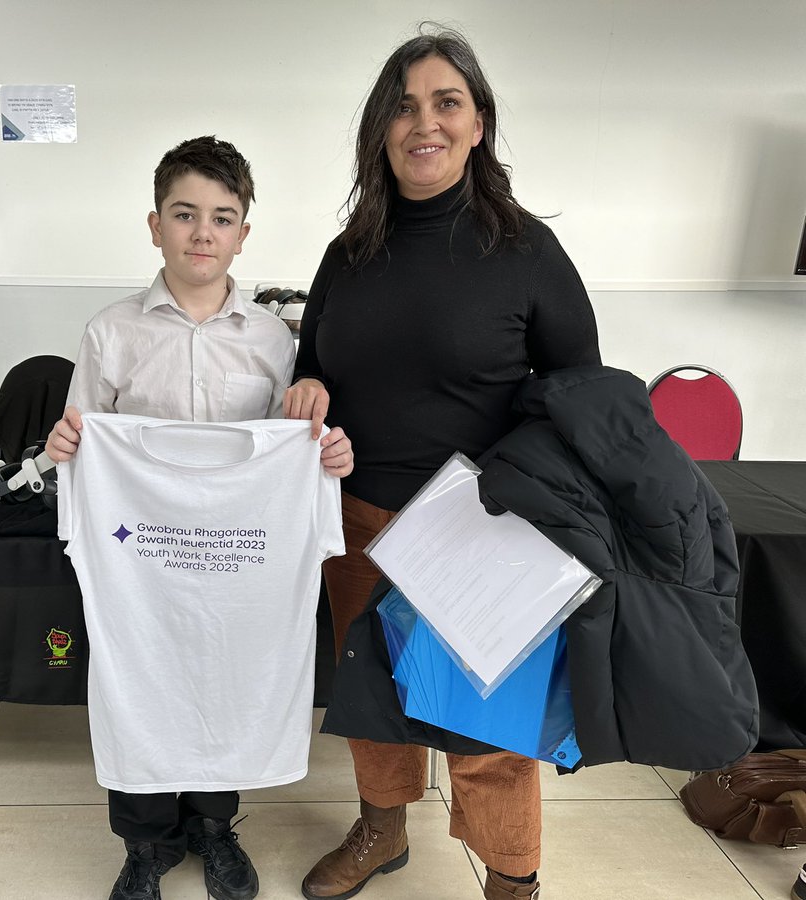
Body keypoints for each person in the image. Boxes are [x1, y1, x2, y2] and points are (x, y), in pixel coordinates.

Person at [284, 26, 601, 900]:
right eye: (403, 105)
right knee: (371, 700)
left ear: (478, 124)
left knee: (488, 730)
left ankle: (510, 879)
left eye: (445, 102)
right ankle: (383, 832)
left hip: (481, 531)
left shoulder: (526, 250)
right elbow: (314, 360)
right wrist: (307, 384)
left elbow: (578, 394)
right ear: (381, 130)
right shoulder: (349, 253)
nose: (423, 122)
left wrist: (519, 501)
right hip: (359, 521)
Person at [46, 135, 353, 900]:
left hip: (231, 564)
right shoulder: (110, 332)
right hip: (142, 562)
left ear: (243, 233)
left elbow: (290, 442)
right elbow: (83, 440)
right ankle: (144, 845)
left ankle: (216, 827)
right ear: (155, 225)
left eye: (221, 217)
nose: (202, 233)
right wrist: (65, 447)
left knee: (225, 679)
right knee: (138, 680)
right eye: (184, 215)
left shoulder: (274, 340)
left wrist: (324, 453)